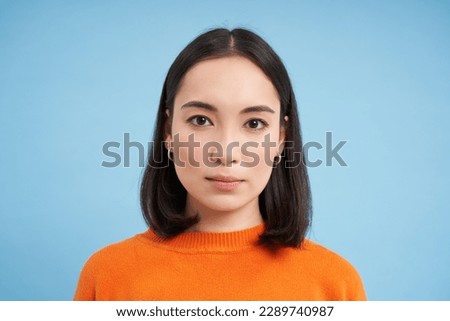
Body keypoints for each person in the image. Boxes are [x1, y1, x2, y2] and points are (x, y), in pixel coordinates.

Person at [73, 28, 366, 300]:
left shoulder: (334, 284)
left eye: (254, 123)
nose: (226, 152)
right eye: (200, 120)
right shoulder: (109, 275)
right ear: (168, 131)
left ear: (280, 138)